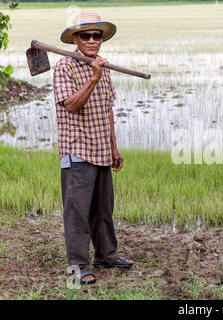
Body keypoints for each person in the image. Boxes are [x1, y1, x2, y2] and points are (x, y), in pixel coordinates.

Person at [53, 12, 132, 285]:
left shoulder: (103, 67)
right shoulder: (65, 67)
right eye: (85, 35)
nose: (91, 40)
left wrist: (114, 148)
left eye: (96, 35)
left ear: (101, 40)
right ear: (76, 39)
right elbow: (72, 105)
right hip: (77, 151)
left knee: (103, 209)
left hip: (100, 149)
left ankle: (106, 255)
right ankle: (78, 267)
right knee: (77, 212)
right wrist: (92, 79)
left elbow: (108, 111)